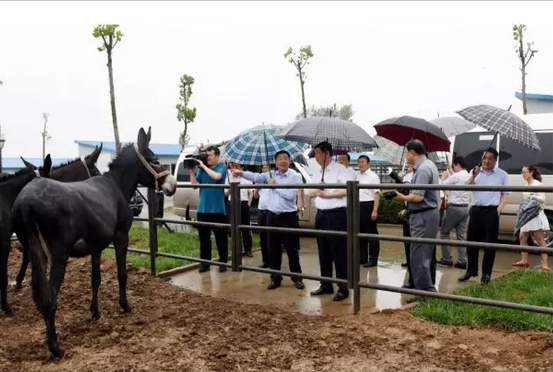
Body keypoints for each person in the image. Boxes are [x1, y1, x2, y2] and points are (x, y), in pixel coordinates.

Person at [232, 151, 305, 290]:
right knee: (273, 248)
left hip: (288, 216)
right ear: (276, 162)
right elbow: (256, 176)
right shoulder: (270, 175)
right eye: (280, 159)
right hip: (272, 216)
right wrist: (241, 173)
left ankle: (297, 278)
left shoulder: (295, 176)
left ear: (289, 161)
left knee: (292, 249)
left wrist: (274, 186)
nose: (283, 161)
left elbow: (290, 196)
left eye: (285, 159)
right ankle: (275, 277)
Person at [394, 140, 440, 302]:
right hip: (427, 214)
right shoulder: (429, 165)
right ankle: (427, 290)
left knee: (418, 255)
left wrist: (402, 197)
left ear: (413, 153)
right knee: (423, 254)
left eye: (407, 153)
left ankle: (425, 293)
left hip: (423, 216)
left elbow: (418, 196)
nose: (406, 156)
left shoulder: (423, 169)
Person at [310, 142, 354, 301]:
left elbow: (348, 189)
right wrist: (315, 192)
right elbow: (313, 190)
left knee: (339, 252)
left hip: (336, 215)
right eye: (315, 153)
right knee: (323, 251)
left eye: (318, 153)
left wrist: (327, 194)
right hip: (321, 214)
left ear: (328, 153)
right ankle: (326, 284)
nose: (316, 156)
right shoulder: (317, 172)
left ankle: (343, 287)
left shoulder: (341, 170)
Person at [459, 148, 508, 285]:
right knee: (471, 242)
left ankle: (486, 273)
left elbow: (505, 194)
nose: (486, 161)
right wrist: (473, 176)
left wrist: (499, 209)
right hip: (476, 210)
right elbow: (466, 188)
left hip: (491, 211)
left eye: (490, 158)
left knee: (490, 244)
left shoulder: (502, 175)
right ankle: (471, 270)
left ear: (495, 160)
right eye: (485, 158)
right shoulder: (475, 172)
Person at [189, 146, 228, 273]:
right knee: (204, 239)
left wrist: (203, 167)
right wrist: (191, 171)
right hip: (203, 209)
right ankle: (205, 263)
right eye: (207, 155)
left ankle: (223, 263)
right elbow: (195, 186)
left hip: (217, 210)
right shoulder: (201, 170)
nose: (207, 158)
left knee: (220, 238)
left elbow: (217, 177)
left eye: (210, 155)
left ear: (217, 156)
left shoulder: (222, 167)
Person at [512, 165, 550, 272]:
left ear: (531, 172)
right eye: (522, 172)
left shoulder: (537, 184)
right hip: (526, 215)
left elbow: (542, 199)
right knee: (522, 237)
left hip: (535, 215)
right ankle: (524, 260)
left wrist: (533, 196)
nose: (523, 174)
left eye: (525, 172)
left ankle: (545, 265)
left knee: (539, 239)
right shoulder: (525, 185)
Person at [437, 156, 471, 269]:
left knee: (444, 232)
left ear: (457, 165)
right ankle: (462, 260)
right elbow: (456, 180)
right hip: (465, 208)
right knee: (461, 236)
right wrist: (450, 170)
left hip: (454, 208)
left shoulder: (456, 176)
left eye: (454, 166)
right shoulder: (469, 175)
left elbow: (441, 185)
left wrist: (444, 176)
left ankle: (447, 259)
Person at [356, 155, 381, 267]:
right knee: (360, 233)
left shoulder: (373, 176)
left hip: (369, 205)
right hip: (358, 205)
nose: (360, 164)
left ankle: (373, 259)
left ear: (368, 163)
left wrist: (375, 210)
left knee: (371, 234)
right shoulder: (357, 175)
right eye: (359, 162)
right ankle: (363, 257)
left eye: (362, 162)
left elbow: (376, 194)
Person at [226, 162, 254, 257]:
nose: (235, 168)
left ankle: (248, 249)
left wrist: (248, 204)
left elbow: (251, 192)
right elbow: (225, 193)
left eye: (237, 166)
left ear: (242, 167)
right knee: (233, 227)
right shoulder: (228, 176)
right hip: (232, 203)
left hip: (244, 203)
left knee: (245, 227)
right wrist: (230, 188)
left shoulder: (247, 176)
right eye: (233, 166)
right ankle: (236, 250)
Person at [254, 164, 271, 268]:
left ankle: (273, 260)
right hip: (261, 209)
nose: (264, 169)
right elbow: (256, 196)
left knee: (271, 237)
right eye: (263, 168)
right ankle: (265, 261)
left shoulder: (273, 178)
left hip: (270, 210)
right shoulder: (259, 179)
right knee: (263, 237)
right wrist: (257, 188)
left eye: (266, 168)